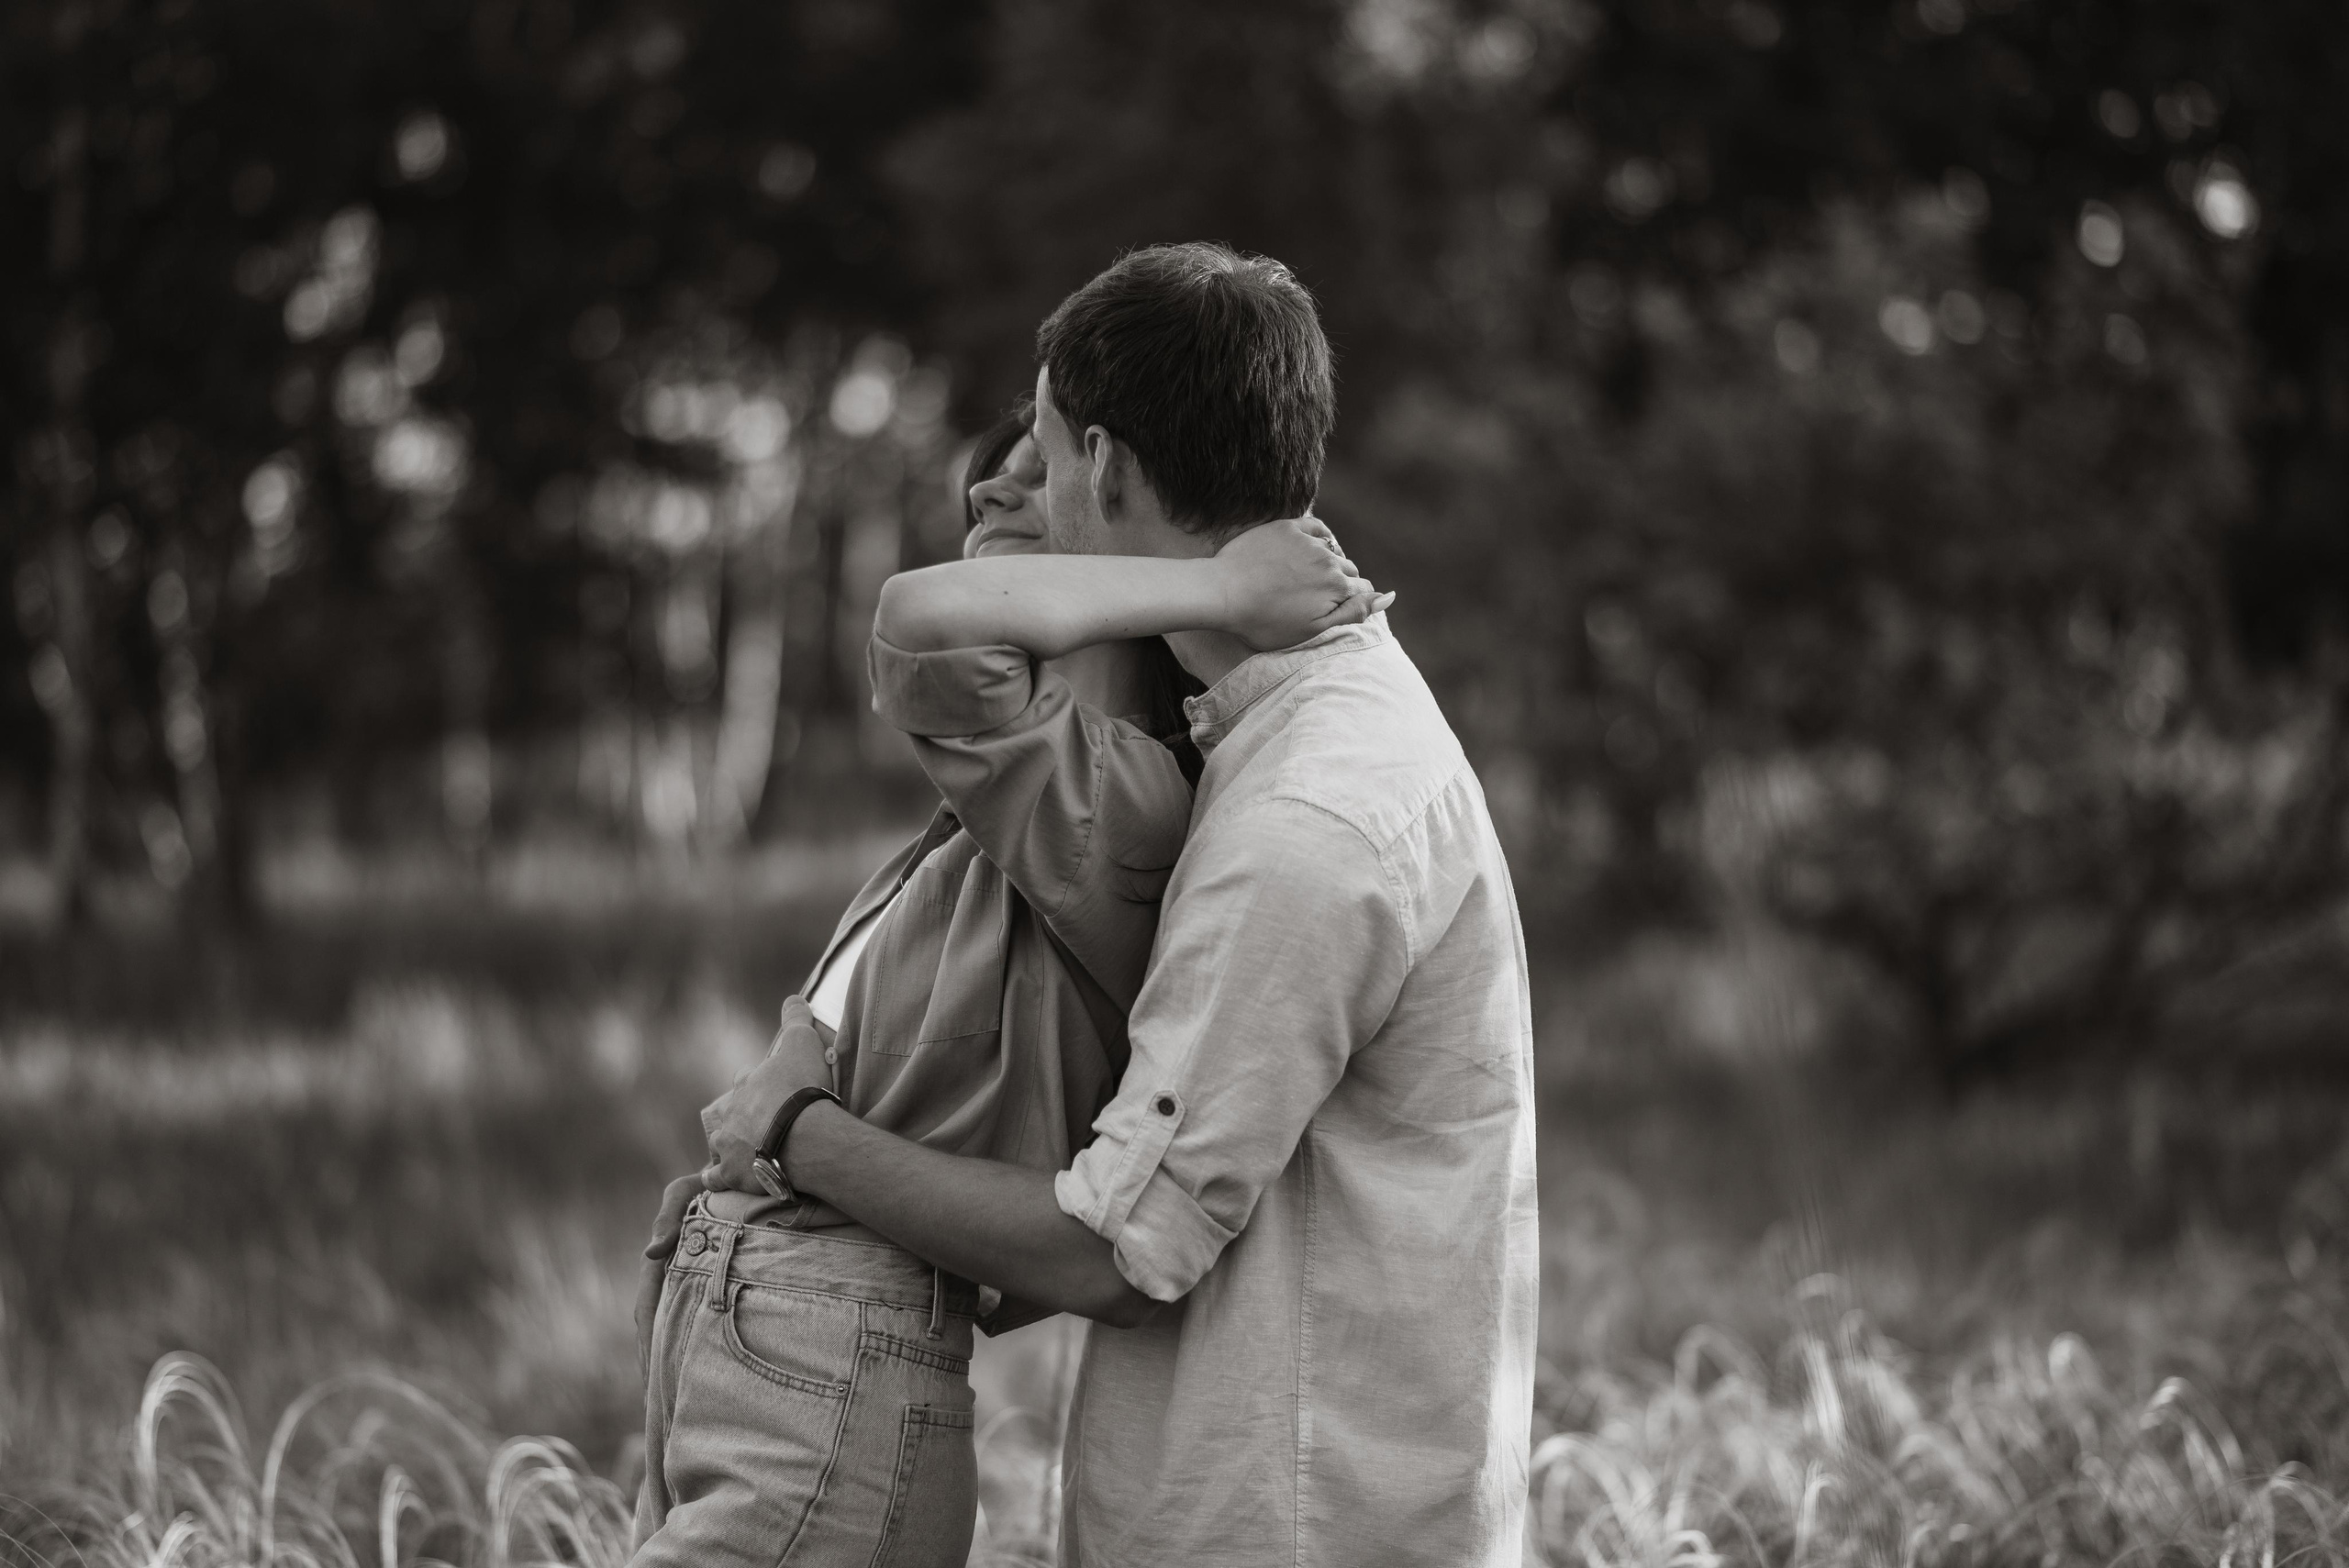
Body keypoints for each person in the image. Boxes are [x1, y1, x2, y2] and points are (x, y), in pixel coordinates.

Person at [689, 242, 1541, 1567]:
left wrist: (795, 1130)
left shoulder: (1309, 817)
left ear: (1109, 468)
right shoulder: (1286, 744)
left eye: (1036, 449)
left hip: (1286, 1525)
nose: (1001, 485)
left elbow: (1113, 1252)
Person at [628, 400, 1383, 1568]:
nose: (986, 491)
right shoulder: (1011, 824)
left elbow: (925, 630)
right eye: (987, 475)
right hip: (755, 1327)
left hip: (829, 1350)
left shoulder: (1122, 808)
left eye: (1036, 479)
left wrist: (1224, 588)